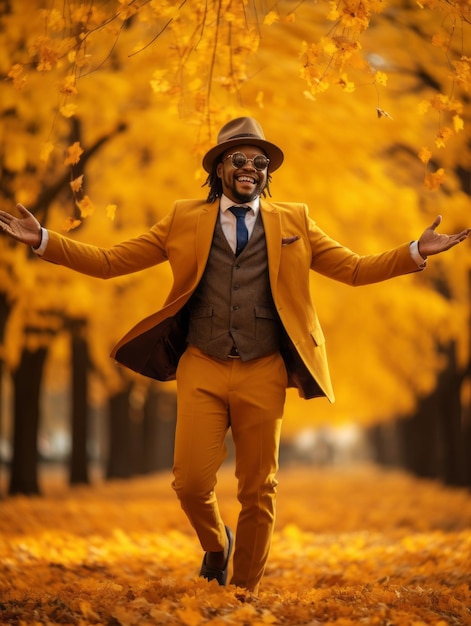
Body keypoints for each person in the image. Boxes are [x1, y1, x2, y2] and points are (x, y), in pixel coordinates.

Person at [0, 117, 469, 593]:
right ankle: (216, 544)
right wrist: (44, 240)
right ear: (219, 167)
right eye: (240, 160)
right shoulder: (185, 218)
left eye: (260, 163)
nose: (251, 169)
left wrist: (413, 251)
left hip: (263, 368)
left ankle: (244, 593)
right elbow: (109, 262)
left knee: (258, 490)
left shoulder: (296, 220)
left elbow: (353, 269)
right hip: (201, 364)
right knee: (189, 484)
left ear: (268, 174)